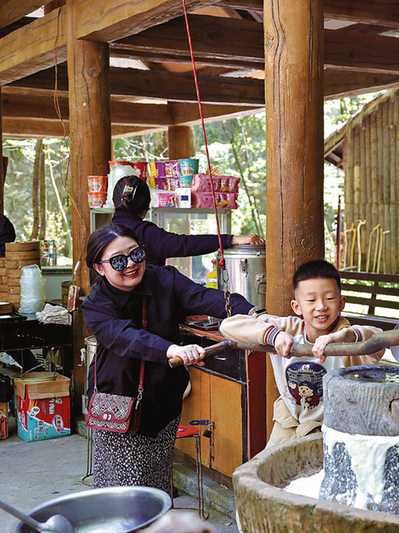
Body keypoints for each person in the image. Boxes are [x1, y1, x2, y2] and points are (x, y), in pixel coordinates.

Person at [81, 224, 255, 492]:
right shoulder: (95, 305)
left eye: (136, 254)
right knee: (125, 490)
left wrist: (254, 313)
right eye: (118, 261)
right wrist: (171, 350)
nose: (131, 264)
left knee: (158, 482)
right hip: (119, 404)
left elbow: (208, 298)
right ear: (99, 268)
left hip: (163, 401)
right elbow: (127, 336)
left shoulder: (165, 279)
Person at [219, 259, 383, 447]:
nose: (321, 306)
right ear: (297, 307)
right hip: (290, 422)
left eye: (329, 298)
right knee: (270, 462)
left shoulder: (347, 338)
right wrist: (274, 336)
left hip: (335, 427)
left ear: (341, 303)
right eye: (311, 300)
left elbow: (379, 341)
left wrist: (346, 335)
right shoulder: (288, 328)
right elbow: (228, 326)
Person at [111, 176, 264, 266]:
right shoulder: (146, 233)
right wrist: (231, 239)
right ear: (147, 208)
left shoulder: (103, 234)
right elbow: (185, 244)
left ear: (113, 204)